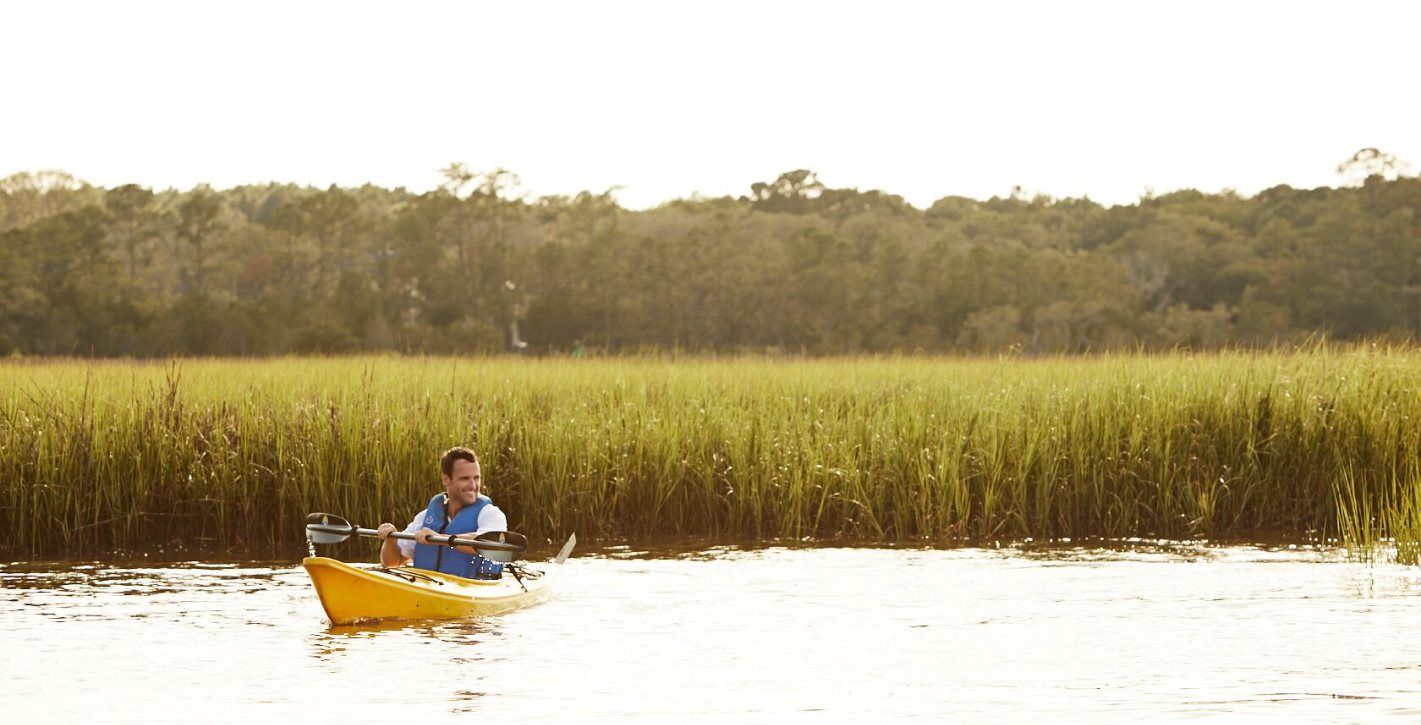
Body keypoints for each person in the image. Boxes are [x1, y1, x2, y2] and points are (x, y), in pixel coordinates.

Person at [376, 446, 508, 578]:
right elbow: (392, 563)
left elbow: (490, 544)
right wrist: (391, 540)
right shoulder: (424, 518)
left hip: (472, 588)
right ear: (446, 479)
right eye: (465, 478)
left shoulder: (491, 515)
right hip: (426, 586)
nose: (473, 485)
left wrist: (440, 538)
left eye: (476, 478)